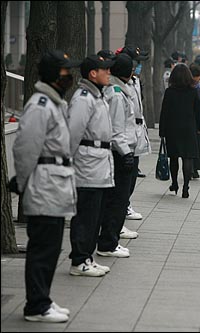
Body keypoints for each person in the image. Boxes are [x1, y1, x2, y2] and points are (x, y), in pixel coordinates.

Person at [12, 49, 81, 322]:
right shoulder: (41, 105)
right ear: (54, 76)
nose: (69, 77)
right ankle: (35, 306)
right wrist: (23, 181)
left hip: (54, 186)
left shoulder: (54, 103)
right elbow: (26, 148)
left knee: (52, 247)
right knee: (43, 248)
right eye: (65, 72)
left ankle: (43, 299)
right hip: (43, 185)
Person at [67, 55, 115, 278]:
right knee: (86, 214)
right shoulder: (84, 98)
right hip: (87, 164)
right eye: (105, 70)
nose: (108, 73)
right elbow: (73, 133)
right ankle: (79, 259)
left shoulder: (98, 96)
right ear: (92, 73)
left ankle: (87, 256)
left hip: (99, 162)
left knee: (94, 214)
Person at [96, 53, 136, 258]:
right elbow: (117, 130)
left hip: (115, 152)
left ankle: (108, 240)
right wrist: (127, 153)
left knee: (114, 199)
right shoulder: (118, 94)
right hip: (119, 153)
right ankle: (108, 243)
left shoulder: (114, 90)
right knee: (118, 200)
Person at [159, 63, 200, 198]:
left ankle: (174, 183)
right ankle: (186, 186)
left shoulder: (169, 92)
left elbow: (164, 112)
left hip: (172, 128)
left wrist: (162, 131)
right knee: (187, 157)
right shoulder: (192, 91)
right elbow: (199, 111)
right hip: (188, 128)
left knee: (173, 157)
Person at [118, 45, 152, 225]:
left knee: (132, 175)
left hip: (137, 130)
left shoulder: (136, 81)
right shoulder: (119, 86)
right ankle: (122, 208)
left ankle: (125, 204)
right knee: (125, 176)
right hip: (126, 133)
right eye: (136, 63)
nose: (138, 67)